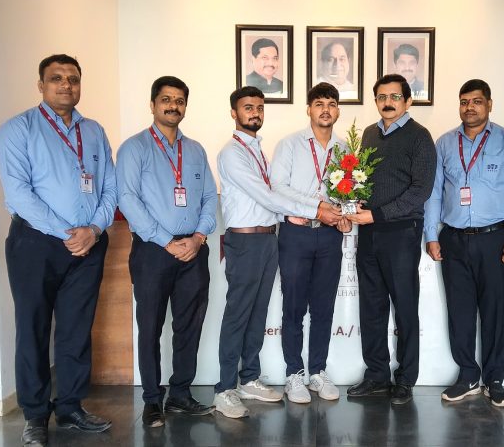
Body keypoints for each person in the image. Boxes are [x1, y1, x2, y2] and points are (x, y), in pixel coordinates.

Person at [0, 54, 117, 446]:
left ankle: (70, 407)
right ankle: (35, 415)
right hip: (36, 243)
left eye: (73, 79)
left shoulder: (94, 131)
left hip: (88, 245)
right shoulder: (17, 129)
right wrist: (69, 233)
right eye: (57, 78)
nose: (66, 85)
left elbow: (109, 187)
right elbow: (19, 194)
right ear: (41, 85)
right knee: (33, 329)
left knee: (76, 329)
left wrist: (93, 230)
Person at [214, 86, 342, 418]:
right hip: (246, 240)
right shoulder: (233, 153)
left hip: (269, 238)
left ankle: (248, 379)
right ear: (234, 112)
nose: (254, 113)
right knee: (239, 314)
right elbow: (269, 195)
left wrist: (340, 214)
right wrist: (316, 210)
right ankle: (225, 388)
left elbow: (273, 198)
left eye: (259, 107)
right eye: (248, 107)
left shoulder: (257, 149)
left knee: (257, 314)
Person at [116, 76, 218, 428]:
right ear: (153, 104)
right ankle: (151, 400)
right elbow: (127, 199)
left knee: (189, 325)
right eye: (166, 99)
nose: (173, 106)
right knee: (150, 326)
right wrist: (165, 240)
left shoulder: (196, 150)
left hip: (193, 249)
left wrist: (199, 237)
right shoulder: (134, 148)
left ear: (185, 106)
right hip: (153, 251)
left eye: (179, 100)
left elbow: (209, 197)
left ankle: (180, 395)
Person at [424, 78, 504, 407]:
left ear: (489, 104)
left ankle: (494, 379)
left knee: (494, 310)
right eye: (464, 101)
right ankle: (468, 375)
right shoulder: (445, 143)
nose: (470, 107)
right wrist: (431, 235)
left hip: (495, 239)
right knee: (460, 310)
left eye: (477, 101)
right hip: (453, 238)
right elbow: (434, 193)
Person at [346, 74, 436, 405]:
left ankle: (406, 378)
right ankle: (377, 376)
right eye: (382, 96)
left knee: (405, 306)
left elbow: (420, 191)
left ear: (408, 101)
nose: (388, 102)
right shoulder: (370, 133)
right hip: (369, 231)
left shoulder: (420, 136)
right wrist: (356, 202)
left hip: (401, 232)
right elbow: (364, 180)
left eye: (395, 96)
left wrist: (378, 215)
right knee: (371, 307)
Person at [270, 83, 349, 404]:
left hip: (330, 235)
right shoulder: (290, 145)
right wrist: (317, 208)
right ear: (309, 109)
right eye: (319, 103)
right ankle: (294, 374)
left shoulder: (344, 148)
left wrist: (344, 215)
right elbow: (278, 188)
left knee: (323, 307)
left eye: (331, 103)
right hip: (296, 234)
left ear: (338, 110)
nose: (325, 109)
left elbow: (349, 191)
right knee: (293, 307)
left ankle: (317, 370)